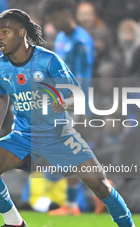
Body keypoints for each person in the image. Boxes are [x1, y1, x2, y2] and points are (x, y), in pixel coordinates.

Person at [0, 9, 140, 227]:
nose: (0, 37)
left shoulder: (48, 60)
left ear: (21, 32)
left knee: (101, 186)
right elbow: (1, 95)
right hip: (24, 136)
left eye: (5, 32)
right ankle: (14, 223)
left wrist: (65, 103)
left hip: (60, 136)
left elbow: (76, 94)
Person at [43, 0, 94, 216]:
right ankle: (92, 195)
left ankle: (73, 205)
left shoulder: (81, 41)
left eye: (54, 18)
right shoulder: (62, 38)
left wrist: (79, 108)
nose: (52, 24)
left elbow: (84, 77)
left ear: (64, 14)